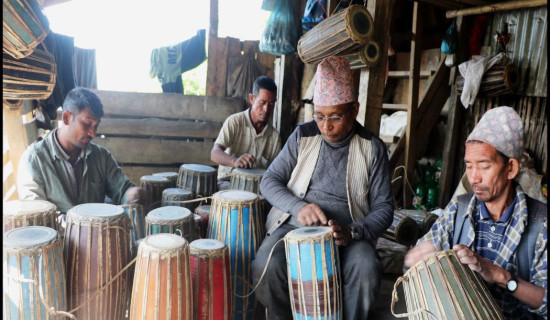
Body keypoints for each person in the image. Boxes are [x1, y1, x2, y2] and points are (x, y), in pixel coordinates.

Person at [251, 56, 394, 320]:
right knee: (265, 267)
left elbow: (384, 208)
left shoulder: (372, 148)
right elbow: (269, 181)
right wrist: (298, 206)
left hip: (349, 236)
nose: (326, 126)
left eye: (335, 117)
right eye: (319, 116)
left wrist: (354, 231)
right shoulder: (302, 136)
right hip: (293, 227)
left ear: (354, 109)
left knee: (366, 268)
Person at [404, 106, 547, 319]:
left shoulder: (541, 223)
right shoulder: (458, 210)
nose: (474, 178)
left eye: (484, 166)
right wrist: (420, 258)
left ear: (511, 168)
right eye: (469, 166)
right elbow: (423, 255)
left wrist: (499, 275)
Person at [17, 87, 147, 214]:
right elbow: (36, 216)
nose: (92, 133)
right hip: (57, 235)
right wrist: (80, 227)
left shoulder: (102, 157)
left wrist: (131, 195)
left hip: (99, 233)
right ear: (66, 118)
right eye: (87, 124)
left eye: (96, 126)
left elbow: (122, 189)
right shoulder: (34, 160)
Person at [210, 75, 282, 182]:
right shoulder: (234, 122)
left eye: (271, 104)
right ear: (252, 99)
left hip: (257, 188)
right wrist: (235, 161)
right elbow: (214, 153)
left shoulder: (275, 137)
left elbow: (276, 173)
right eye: (262, 103)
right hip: (228, 181)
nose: (266, 109)